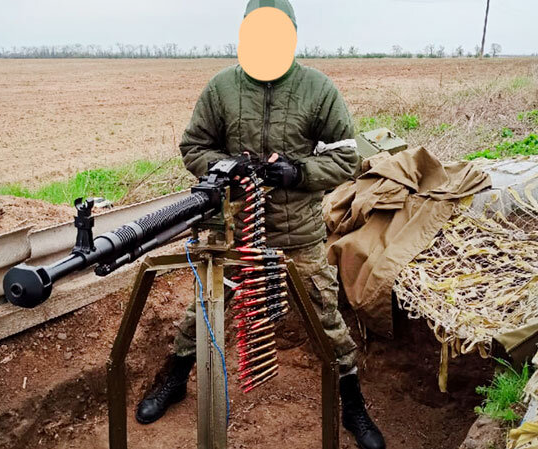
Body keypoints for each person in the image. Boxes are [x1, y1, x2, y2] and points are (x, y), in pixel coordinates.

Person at [136, 1, 385, 448]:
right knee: (205, 310)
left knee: (326, 317)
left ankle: (353, 405)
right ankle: (174, 380)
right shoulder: (222, 88)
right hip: (234, 230)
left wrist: (297, 172)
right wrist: (227, 168)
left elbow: (347, 157)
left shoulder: (317, 88)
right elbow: (194, 146)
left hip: (299, 234)